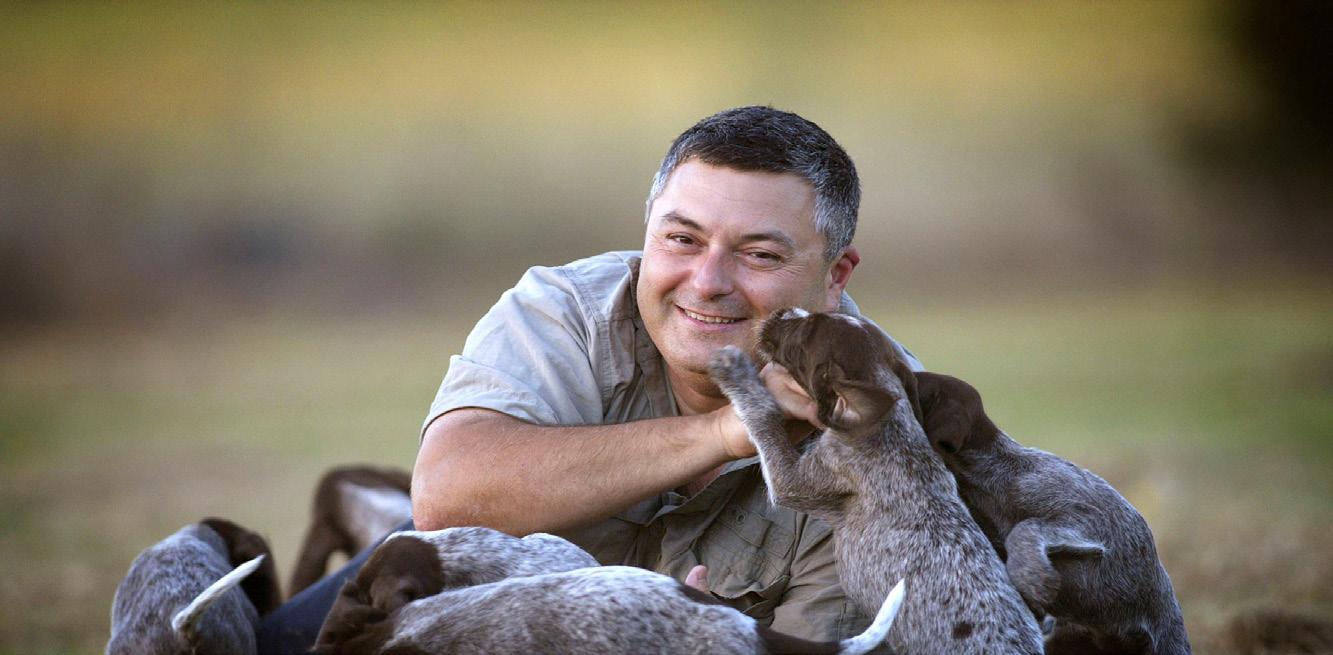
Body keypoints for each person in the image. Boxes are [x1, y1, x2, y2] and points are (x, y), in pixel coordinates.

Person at [256, 105, 921, 652]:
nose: (707, 281)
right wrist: (725, 430)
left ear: (835, 276)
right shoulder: (566, 310)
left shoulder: (890, 441)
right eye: (682, 239)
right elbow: (446, 500)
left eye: (759, 254)